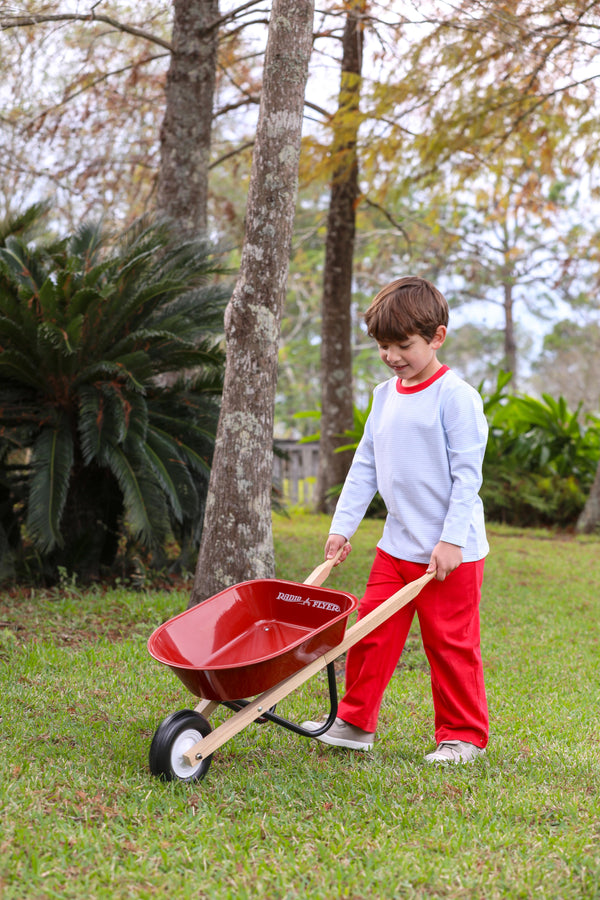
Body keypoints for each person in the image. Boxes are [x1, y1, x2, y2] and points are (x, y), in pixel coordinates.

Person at [302, 276, 489, 764]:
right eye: (384, 346)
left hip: (451, 553)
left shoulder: (456, 397)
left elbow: (468, 478)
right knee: (370, 634)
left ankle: (463, 736)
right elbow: (365, 464)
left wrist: (451, 541)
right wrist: (342, 527)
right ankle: (354, 724)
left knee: (450, 644)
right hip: (396, 547)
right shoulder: (384, 395)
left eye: (403, 345)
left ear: (437, 337)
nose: (392, 355)